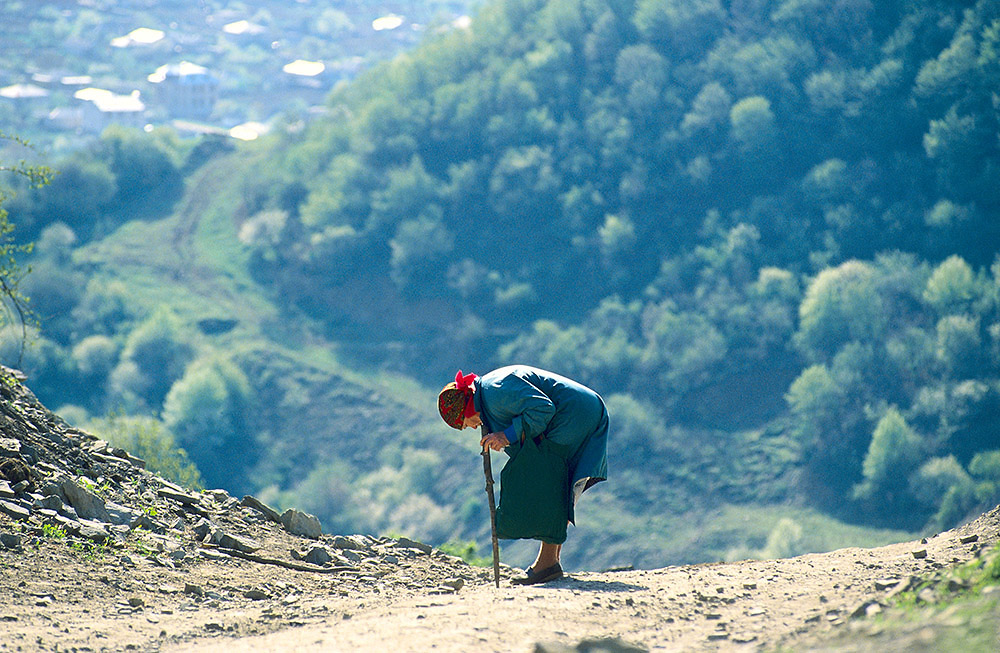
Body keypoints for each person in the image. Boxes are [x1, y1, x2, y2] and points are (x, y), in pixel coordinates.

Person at [438, 365, 609, 585]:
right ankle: (549, 562)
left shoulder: (496, 391)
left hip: (574, 413)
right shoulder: (490, 395)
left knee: (549, 479)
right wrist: (506, 435)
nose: (471, 428)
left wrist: (507, 435)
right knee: (557, 484)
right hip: (583, 411)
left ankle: (547, 565)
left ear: (466, 409)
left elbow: (543, 409)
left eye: (465, 424)